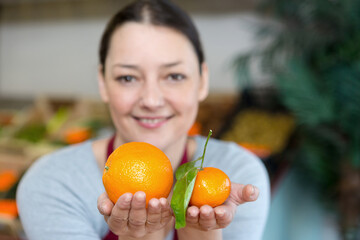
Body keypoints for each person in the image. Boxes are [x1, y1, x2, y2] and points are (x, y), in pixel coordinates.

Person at [16, 0, 270, 239]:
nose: (151, 100)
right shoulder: (53, 183)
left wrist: (203, 233)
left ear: (203, 81)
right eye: (128, 78)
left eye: (174, 76)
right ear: (103, 83)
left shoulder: (236, 175)